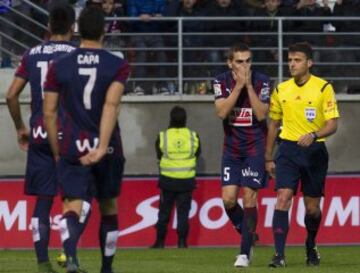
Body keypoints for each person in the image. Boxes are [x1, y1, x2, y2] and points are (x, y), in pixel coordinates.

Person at [43, 6, 130, 273]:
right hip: (108, 146)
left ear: (78, 29)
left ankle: (70, 256)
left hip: (72, 143)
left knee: (72, 204)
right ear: (104, 30)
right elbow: (110, 106)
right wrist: (102, 146)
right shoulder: (117, 65)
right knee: (108, 207)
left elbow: (49, 112)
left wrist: (57, 151)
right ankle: (106, 268)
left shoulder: (59, 66)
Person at [6, 5, 77, 273]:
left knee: (43, 202)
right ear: (73, 26)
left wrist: (20, 127)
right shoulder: (77, 55)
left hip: (38, 135)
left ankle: (43, 265)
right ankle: (70, 258)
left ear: (48, 26)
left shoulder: (32, 54)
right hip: (69, 136)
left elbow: (11, 95)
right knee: (73, 200)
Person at [265, 42, 340, 267]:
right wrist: (268, 156)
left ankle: (311, 242)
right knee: (282, 198)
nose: (292, 64)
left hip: (314, 151)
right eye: (289, 60)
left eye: (297, 60)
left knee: (312, 208)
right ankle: (278, 256)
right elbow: (273, 124)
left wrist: (314, 135)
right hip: (287, 149)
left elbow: (333, 124)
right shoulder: (281, 89)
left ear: (309, 63)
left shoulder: (323, 88)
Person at [213, 43, 271, 267]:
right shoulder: (220, 81)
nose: (244, 65)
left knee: (249, 197)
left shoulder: (262, 81)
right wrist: (238, 87)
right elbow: (221, 113)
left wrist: (248, 87)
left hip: (254, 147)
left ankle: (244, 253)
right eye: (239, 61)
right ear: (230, 63)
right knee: (228, 200)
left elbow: (260, 113)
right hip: (232, 149)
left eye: (248, 61)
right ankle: (248, 236)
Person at [151, 106, 201, 249]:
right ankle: (182, 242)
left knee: (164, 212)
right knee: (183, 213)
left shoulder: (163, 136)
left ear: (171, 118)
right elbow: (197, 154)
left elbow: (159, 155)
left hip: (167, 180)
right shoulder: (193, 136)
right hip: (187, 180)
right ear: (185, 119)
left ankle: (160, 243)